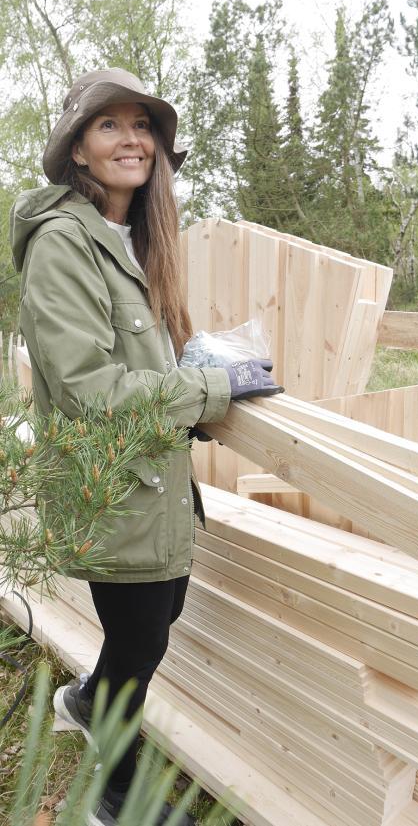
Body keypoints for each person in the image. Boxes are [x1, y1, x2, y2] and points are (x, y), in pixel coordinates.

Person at [10, 67, 283, 826]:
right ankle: (117, 795)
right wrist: (209, 392)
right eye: (110, 125)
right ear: (77, 150)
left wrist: (206, 365)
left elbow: (143, 365)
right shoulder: (63, 244)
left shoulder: (135, 238)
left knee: (154, 628)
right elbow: (91, 390)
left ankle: (84, 698)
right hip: (115, 489)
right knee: (138, 649)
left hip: (159, 485)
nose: (131, 138)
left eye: (143, 126)